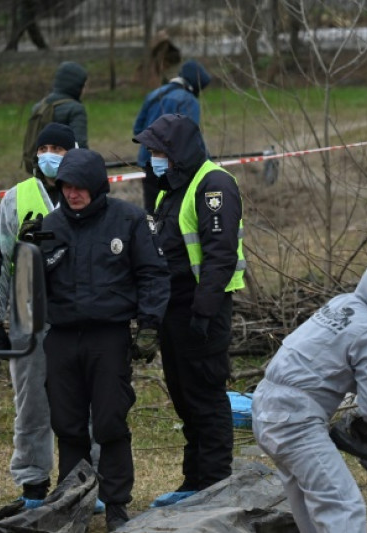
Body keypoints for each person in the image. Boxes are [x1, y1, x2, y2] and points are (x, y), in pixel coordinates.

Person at [38, 148, 169, 531]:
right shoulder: (50, 226)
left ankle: (116, 504)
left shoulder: (128, 221)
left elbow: (153, 274)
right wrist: (25, 252)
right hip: (62, 337)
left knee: (110, 421)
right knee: (68, 423)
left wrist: (149, 325)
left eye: (80, 187)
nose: (72, 194)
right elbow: (29, 288)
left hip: (107, 336)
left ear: (97, 187)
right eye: (66, 187)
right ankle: (71, 503)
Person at [252, 253, 367, 533]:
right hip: (296, 424)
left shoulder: (342, 304)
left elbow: (328, 360)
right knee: (342, 507)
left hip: (265, 410)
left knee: (308, 505)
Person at [133, 113, 245, 507]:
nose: (153, 158)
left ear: (176, 151)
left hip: (203, 312)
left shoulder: (214, 184)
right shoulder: (170, 189)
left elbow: (220, 255)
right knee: (184, 398)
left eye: (158, 151)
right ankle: (193, 481)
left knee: (207, 399)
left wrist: (204, 312)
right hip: (174, 311)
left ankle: (213, 488)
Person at [0, 122, 73, 509]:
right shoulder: (16, 197)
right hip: (28, 317)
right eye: (46, 147)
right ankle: (31, 484)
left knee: (82, 404)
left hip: (76, 315)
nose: (51, 155)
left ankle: (82, 480)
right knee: (30, 405)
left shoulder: (86, 193)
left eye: (60, 148)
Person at [133, 60, 211, 214]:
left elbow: (138, 129)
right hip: (174, 167)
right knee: (175, 213)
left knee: (152, 212)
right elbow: (190, 137)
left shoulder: (154, 95)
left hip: (149, 162)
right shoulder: (189, 101)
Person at [34, 61, 89, 150]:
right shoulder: (76, 110)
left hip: (37, 163)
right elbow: (80, 147)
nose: (85, 90)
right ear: (76, 86)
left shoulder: (39, 107)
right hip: (66, 163)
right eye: (84, 86)